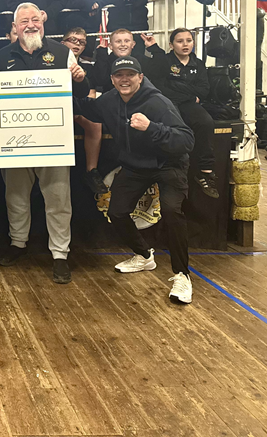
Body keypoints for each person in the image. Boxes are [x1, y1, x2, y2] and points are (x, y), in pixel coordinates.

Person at [75, 56, 195, 304]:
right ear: (112, 80)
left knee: (172, 212)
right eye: (119, 75)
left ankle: (182, 274)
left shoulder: (159, 103)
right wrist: (73, 82)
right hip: (135, 166)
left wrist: (152, 127)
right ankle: (144, 255)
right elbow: (82, 105)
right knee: (116, 212)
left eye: (130, 74)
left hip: (168, 164)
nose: (125, 79)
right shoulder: (108, 101)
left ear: (140, 77)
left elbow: (186, 140)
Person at [0, 3, 88, 283]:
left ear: (43, 22)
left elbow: (79, 91)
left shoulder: (61, 52)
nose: (30, 25)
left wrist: (81, 78)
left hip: (54, 141)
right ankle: (17, 244)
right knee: (16, 196)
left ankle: (60, 255)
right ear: (15, 27)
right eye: (24, 21)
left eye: (35, 20)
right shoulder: (2, 56)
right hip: (15, 141)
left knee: (58, 199)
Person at [141, 29, 219, 198]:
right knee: (174, 128)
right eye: (180, 41)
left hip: (189, 104)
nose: (185, 44)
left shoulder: (198, 63)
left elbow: (204, 89)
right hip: (169, 104)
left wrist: (179, 87)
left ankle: (205, 172)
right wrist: (189, 92)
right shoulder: (164, 62)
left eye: (189, 40)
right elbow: (162, 88)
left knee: (206, 122)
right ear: (171, 45)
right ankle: (170, 168)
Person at [61, 27, 107, 194]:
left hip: (78, 103)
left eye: (81, 42)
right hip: (55, 104)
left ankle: (91, 171)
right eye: (73, 40)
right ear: (62, 43)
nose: (77, 45)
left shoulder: (88, 64)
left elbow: (91, 93)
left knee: (95, 121)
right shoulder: (53, 59)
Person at [92, 28, 137, 95]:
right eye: (118, 41)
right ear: (110, 46)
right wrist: (101, 54)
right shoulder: (105, 60)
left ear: (133, 44)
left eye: (127, 41)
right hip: (111, 100)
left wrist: (153, 48)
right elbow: (100, 81)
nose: (123, 44)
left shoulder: (140, 60)